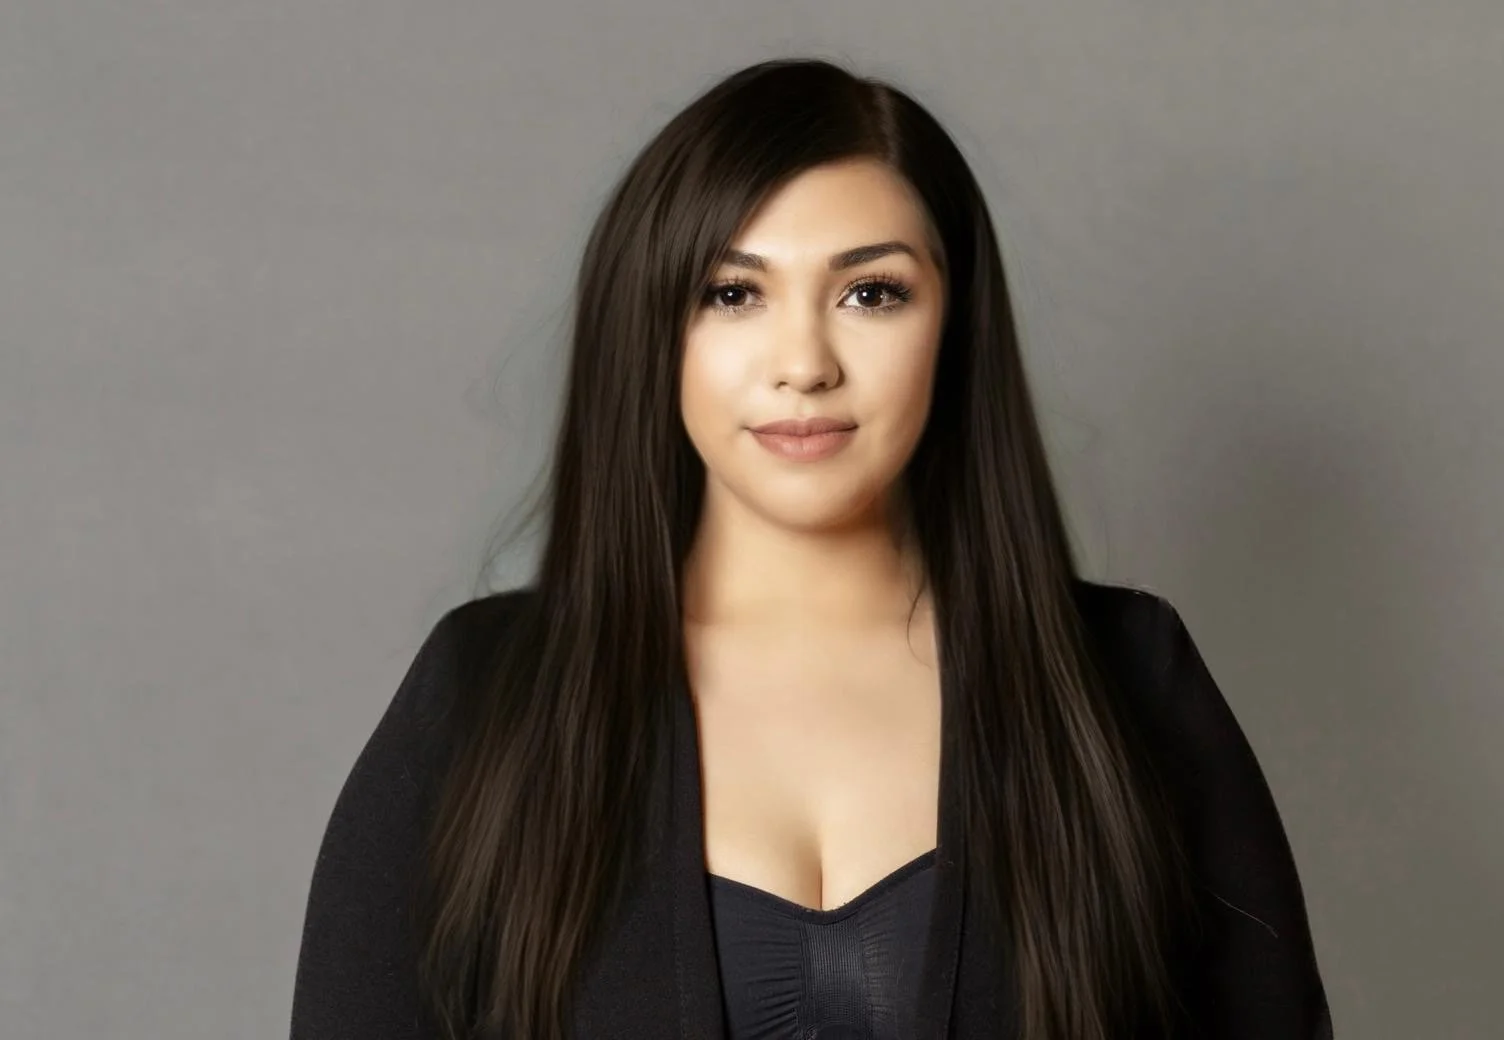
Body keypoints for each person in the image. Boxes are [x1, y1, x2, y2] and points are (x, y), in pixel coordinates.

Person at [288, 57, 1332, 1040]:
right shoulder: (484, 697)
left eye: (871, 293)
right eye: (731, 292)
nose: (803, 362)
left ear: (954, 326)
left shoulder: (1126, 677)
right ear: (651, 329)